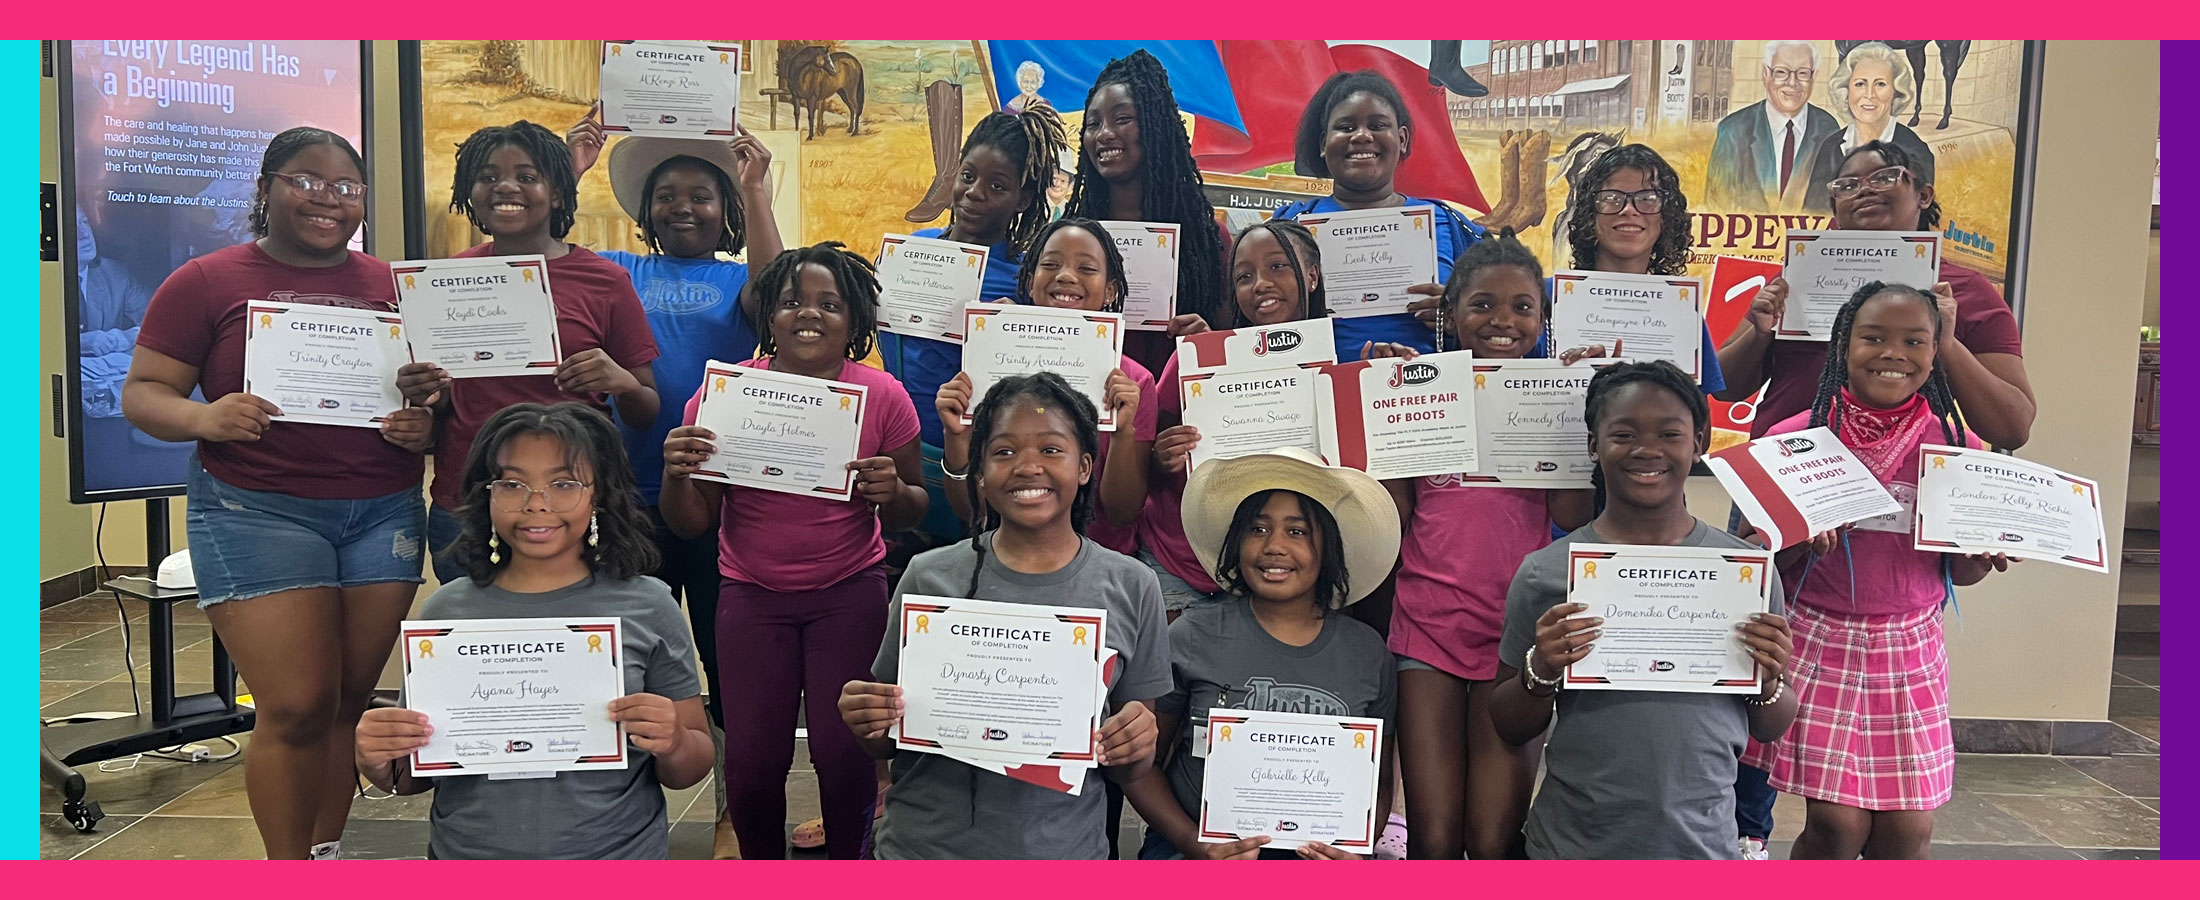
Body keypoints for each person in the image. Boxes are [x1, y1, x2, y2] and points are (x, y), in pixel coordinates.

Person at [122, 127, 433, 861]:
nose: (328, 199)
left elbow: (425, 402)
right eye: (307, 181)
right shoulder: (206, 280)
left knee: (343, 706)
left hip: (382, 510)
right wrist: (204, 416)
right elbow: (142, 394)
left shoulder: (396, 286)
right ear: (265, 190)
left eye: (346, 187)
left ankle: (324, 857)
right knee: (293, 707)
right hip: (255, 508)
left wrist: (425, 419)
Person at [568, 106, 787, 857]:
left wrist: (757, 190)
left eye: (702, 194)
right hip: (625, 495)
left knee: (729, 661)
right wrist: (568, 169)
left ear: (724, 211)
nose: (683, 206)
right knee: (630, 655)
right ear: (645, 212)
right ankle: (621, 807)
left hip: (718, 496)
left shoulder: (739, 283)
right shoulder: (616, 269)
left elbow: (778, 295)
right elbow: (532, 265)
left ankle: (734, 809)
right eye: (667, 195)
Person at [353, 403, 713, 859]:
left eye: (563, 484)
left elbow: (692, 765)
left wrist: (675, 741)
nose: (536, 503)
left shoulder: (648, 604)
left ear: (598, 494)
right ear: (486, 493)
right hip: (469, 860)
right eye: (512, 483)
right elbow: (414, 775)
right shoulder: (447, 611)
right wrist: (377, 760)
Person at [662, 242, 927, 860]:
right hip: (751, 595)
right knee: (754, 762)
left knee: (844, 754)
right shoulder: (722, 396)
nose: (809, 314)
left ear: (855, 320)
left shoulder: (883, 396)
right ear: (769, 318)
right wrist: (677, 474)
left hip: (849, 592)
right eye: (791, 302)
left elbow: (913, 510)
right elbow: (692, 523)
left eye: (830, 304)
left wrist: (894, 491)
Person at [839, 373, 1168, 859]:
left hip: (1061, 857)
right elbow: (885, 741)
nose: (1027, 467)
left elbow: (1129, 766)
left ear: (1084, 468)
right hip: (924, 853)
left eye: (1051, 450)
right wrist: (866, 719)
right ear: (980, 475)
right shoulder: (929, 577)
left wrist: (1136, 745)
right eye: (1004, 452)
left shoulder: (1132, 585)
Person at [1740, 283, 2012, 859]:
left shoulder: (1957, 446)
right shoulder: (1794, 438)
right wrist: (1795, 538)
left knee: (1907, 834)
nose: (1894, 352)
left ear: (1935, 352)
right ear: (1842, 346)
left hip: (1909, 646)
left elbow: (1960, 574)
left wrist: (1981, 552)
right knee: (1838, 827)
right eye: (1873, 337)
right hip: (1820, 639)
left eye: (1915, 340)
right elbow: (1751, 559)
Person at [1489, 361, 1800, 859]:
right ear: (1594, 444)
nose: (1647, 449)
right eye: (1624, 433)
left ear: (1699, 443)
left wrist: (1769, 680)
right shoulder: (1547, 572)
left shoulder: (1744, 572)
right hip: (1572, 851)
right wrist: (1541, 669)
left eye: (1670, 433)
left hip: (1703, 850)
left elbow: (1771, 725)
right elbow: (1508, 723)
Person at [1385, 230, 1597, 861]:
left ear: (1543, 320)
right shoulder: (1419, 388)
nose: (1502, 320)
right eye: (1482, 304)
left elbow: (1570, 514)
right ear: (1450, 314)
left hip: (1516, 632)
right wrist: (1383, 414)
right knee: (1435, 837)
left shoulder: (1552, 398)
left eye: (1522, 307)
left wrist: (1574, 419)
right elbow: (1395, 517)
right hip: (1427, 626)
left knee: (1493, 838)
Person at [403, 121, 662, 586]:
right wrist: (425, 392)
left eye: (527, 176)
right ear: (469, 192)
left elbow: (645, 408)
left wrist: (620, 380)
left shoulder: (605, 281)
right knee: (475, 649)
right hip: (468, 502)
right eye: (487, 176)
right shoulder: (442, 281)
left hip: (575, 504)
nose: (505, 186)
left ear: (558, 193)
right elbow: (437, 406)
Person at [1122, 447, 1402, 860]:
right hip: (1193, 852)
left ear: (1330, 549)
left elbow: (1376, 783)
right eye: (1257, 529)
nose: (1274, 546)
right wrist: (1193, 843)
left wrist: (1353, 853)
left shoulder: (1367, 653)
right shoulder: (1192, 635)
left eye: (1297, 531)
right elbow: (1140, 768)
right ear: (1236, 542)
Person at [1715, 140, 2034, 449]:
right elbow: (1724, 389)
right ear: (1835, 207)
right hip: (1787, 470)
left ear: (1923, 195)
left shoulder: (1965, 290)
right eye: (1847, 185)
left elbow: (2012, 428)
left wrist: (1946, 343)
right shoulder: (1797, 275)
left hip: (1906, 481)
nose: (1865, 189)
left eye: (1884, 177)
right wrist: (1759, 335)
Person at [879, 105, 1070, 551]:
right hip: (899, 454)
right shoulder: (907, 254)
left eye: (997, 186)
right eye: (968, 176)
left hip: (975, 465)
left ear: (1023, 199)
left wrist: (1016, 330)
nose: (974, 193)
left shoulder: (1026, 283)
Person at [937, 218, 1156, 557]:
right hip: (1004, 555)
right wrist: (956, 437)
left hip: (1100, 563)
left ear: (1111, 289)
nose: (1066, 276)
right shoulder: (990, 359)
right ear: (1029, 278)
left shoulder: (1132, 383)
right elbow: (970, 510)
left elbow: (1121, 513)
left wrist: (1123, 433)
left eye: (1086, 268)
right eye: (1050, 264)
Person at [1144, 220, 1328, 621]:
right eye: (1244, 276)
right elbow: (1143, 452)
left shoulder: (1338, 374)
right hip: (1179, 566)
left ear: (1312, 275)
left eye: (1278, 266)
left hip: (1275, 576)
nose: (1260, 284)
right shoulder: (1193, 360)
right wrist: (1159, 457)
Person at [1273, 70, 1484, 357]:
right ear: (1323, 144)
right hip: (1322, 395)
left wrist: (1462, 311)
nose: (1361, 136)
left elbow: (1514, 311)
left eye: (1377, 125)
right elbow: (1248, 314)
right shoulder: (1289, 229)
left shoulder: (1449, 224)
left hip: (1431, 394)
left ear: (1402, 139)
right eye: (1346, 127)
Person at [1065, 48, 1225, 371]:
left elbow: (1229, 343)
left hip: (1174, 414)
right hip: (1086, 411)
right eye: (1093, 124)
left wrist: (1208, 340)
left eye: (1122, 119)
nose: (1104, 133)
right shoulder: (1069, 237)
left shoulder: (1207, 240)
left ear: (1155, 126)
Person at [1553, 144, 1730, 394]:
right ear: (1590, 215)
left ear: (1666, 218)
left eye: (1647, 199)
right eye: (1612, 198)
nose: (1629, 210)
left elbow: (1697, 420)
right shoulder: (1546, 299)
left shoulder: (1681, 311)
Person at [1706, 41, 1841, 211]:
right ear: (1765, 73)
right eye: (1781, 72)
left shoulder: (1828, 129)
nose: (1792, 82)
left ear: (1814, 76)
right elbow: (1715, 206)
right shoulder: (1733, 130)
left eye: (1803, 73)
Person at [1803, 43, 1936, 212]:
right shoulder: (1830, 147)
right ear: (1846, 90)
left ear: (1896, 92)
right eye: (1860, 84)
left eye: (1880, 84)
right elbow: (1813, 215)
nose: (1869, 94)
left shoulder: (1916, 152)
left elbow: (1920, 223)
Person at [76, 205, 154, 419]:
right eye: (72, 227)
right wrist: (79, 342)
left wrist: (126, 337)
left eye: (84, 222)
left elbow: (158, 324)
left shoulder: (116, 274)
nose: (84, 234)